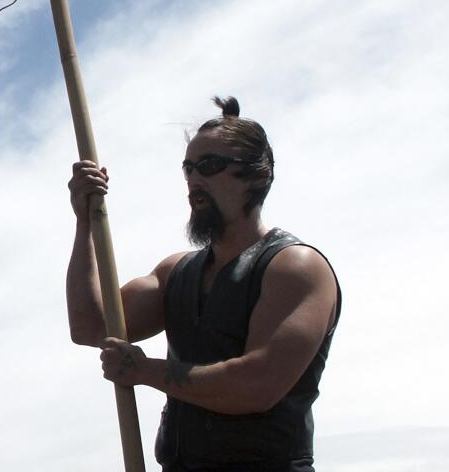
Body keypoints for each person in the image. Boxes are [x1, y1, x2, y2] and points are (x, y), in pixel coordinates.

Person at [66, 96, 341, 472]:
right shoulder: (176, 272)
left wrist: (146, 371)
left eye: (210, 166)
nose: (195, 180)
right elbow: (91, 326)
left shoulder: (295, 267)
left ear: (257, 176)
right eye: (189, 168)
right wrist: (84, 222)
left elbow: (257, 383)